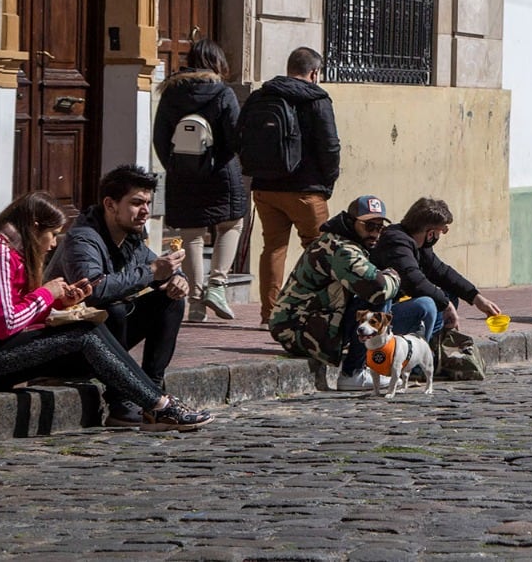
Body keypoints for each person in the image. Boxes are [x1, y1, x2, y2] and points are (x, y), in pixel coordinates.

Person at [0, 192, 212, 430]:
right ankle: (159, 405)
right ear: (34, 228)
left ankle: (147, 401)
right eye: (52, 234)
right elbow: (5, 324)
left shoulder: (12, 254)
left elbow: (18, 314)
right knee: (84, 334)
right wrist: (47, 293)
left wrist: (61, 303)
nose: (53, 244)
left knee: (91, 327)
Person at [47, 165, 187, 427]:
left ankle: (149, 392)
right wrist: (152, 272)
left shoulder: (131, 237)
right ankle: (121, 403)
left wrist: (178, 279)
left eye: (147, 203)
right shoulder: (83, 239)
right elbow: (95, 291)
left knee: (171, 300)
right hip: (66, 346)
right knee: (113, 307)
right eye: (136, 203)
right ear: (110, 204)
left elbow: (157, 267)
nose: (145, 211)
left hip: (103, 345)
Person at [240, 46, 342, 325]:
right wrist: (327, 182)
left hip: (265, 188)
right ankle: (312, 312)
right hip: (307, 189)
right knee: (319, 251)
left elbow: (241, 136)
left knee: (273, 249)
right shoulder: (317, 99)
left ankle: (269, 314)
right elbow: (330, 146)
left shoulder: (261, 96)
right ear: (314, 72)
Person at [151, 38, 246, 323]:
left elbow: (160, 137)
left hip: (183, 174)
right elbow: (234, 136)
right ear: (217, 62)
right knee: (231, 224)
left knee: (191, 234)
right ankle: (217, 285)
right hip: (222, 172)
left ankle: (194, 302)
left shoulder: (171, 92)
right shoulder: (223, 92)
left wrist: (175, 166)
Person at [268, 195, 402, 390]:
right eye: (369, 226)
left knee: (418, 307)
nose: (375, 233)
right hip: (296, 328)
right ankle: (353, 372)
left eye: (379, 228)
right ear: (351, 222)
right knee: (376, 301)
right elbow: (378, 289)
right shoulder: (340, 249)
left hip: (316, 319)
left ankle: (393, 362)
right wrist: (393, 275)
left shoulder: (352, 243)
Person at [371, 197, 503, 340]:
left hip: (395, 305)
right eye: (442, 230)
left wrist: (476, 297)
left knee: (449, 295)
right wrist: (445, 304)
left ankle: (434, 343)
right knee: (428, 305)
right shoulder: (396, 242)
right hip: (379, 315)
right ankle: (423, 350)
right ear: (430, 234)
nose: (441, 234)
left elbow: (442, 272)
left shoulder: (418, 244)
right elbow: (414, 281)